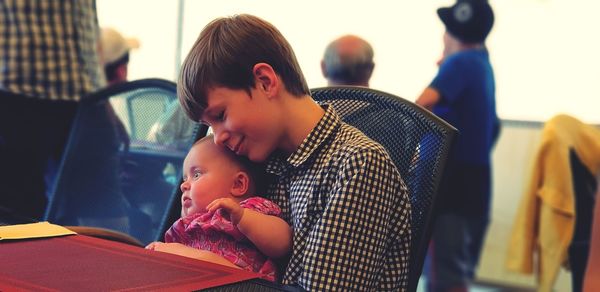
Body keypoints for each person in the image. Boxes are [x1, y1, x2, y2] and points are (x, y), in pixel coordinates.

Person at [177, 14, 411, 290]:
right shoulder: (263, 160)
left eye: (220, 115)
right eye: (209, 126)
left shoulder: (357, 165)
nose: (218, 139)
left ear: (265, 81)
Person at [415, 0, 499, 291]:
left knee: (443, 275)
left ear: (453, 33)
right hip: (474, 184)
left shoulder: (459, 63)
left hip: (450, 186)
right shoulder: (482, 64)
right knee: (455, 270)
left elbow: (419, 107)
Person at [0, 0, 105, 220]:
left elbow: (91, 28)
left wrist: (105, 99)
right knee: (19, 216)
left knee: (101, 211)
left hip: (87, 101)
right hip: (16, 95)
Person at [146, 135, 292, 281]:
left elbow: (283, 243)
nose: (183, 185)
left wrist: (242, 217)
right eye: (185, 179)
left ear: (238, 184)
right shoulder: (186, 228)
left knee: (202, 260)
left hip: (245, 284)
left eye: (196, 174)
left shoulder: (248, 210)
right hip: (193, 280)